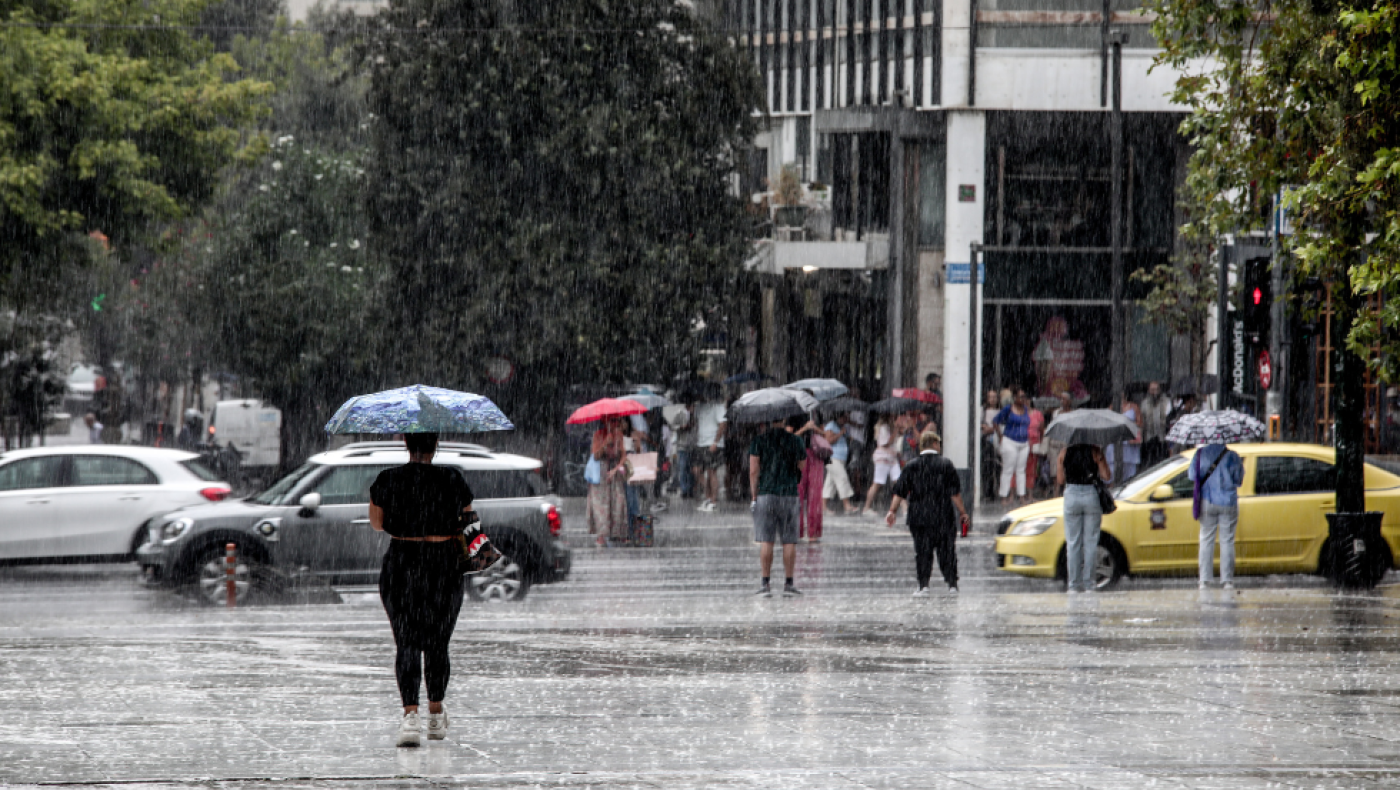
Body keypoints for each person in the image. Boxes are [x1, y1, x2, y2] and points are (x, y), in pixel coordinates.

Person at [368, 433, 474, 747]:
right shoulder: (452, 477)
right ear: (435, 444)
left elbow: (377, 524)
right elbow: (468, 519)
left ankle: (410, 717)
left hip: (402, 562)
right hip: (444, 565)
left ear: (405, 443)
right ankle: (436, 713)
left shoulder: (387, 479)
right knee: (438, 642)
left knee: (407, 641)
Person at [886, 431, 968, 596]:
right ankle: (952, 584)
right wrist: (963, 512)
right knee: (947, 551)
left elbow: (900, 492)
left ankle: (923, 585)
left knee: (923, 551)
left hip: (919, 516)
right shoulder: (946, 464)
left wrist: (892, 511)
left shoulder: (911, 465)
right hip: (943, 515)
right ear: (935, 444)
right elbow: (955, 494)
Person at [748, 415, 808, 596]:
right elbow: (803, 466)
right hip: (789, 494)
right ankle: (789, 583)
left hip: (766, 494)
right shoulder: (796, 441)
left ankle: (765, 583)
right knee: (789, 541)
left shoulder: (759, 441)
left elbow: (753, 470)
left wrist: (754, 494)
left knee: (767, 540)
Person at [1057, 440, 1110, 593]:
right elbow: (1106, 476)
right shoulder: (1095, 451)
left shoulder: (1064, 452)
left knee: (1073, 543)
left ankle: (1073, 585)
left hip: (1071, 495)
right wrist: (1100, 459)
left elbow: (1060, 480)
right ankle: (1090, 584)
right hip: (1091, 495)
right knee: (1090, 543)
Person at [1189, 442, 1244, 589]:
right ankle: (1227, 581)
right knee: (1227, 540)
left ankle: (1204, 581)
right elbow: (1239, 481)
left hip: (1206, 501)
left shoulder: (1200, 454)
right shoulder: (1232, 456)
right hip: (1228, 502)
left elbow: (1192, 476)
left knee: (1206, 539)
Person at [586, 417, 630, 547]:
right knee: (601, 505)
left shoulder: (619, 435)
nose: (615, 423)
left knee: (618, 501)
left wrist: (616, 469)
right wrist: (605, 443)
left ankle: (618, 532)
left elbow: (623, 455)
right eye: (612, 420)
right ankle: (602, 534)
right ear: (605, 421)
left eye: (616, 421)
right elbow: (595, 455)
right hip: (601, 472)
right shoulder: (598, 435)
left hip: (614, 472)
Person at [993, 389, 1033, 505]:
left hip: (1023, 443)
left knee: (1021, 470)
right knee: (1008, 470)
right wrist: (1000, 436)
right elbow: (996, 421)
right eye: (1020, 396)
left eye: (1024, 397)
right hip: (1010, 441)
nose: (1023, 399)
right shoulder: (1008, 409)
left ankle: (1022, 496)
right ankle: (1003, 496)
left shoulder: (1025, 409)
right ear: (1015, 398)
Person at [792, 415, 826, 542]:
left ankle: (813, 531)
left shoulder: (817, 412)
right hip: (798, 455)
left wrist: (816, 429)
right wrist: (805, 428)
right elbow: (790, 436)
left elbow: (824, 434)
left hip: (816, 454)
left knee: (815, 494)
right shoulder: (794, 414)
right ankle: (797, 530)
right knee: (798, 493)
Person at [692, 397, 728, 512]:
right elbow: (696, 422)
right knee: (697, 470)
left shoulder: (718, 406)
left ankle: (713, 500)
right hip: (700, 442)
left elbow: (723, 424)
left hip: (712, 443)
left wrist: (716, 442)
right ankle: (707, 497)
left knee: (711, 471)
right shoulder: (699, 407)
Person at [860, 416, 900, 517]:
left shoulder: (890, 427)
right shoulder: (883, 428)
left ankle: (905, 509)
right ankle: (867, 507)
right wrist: (895, 431)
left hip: (892, 458)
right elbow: (885, 443)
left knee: (900, 483)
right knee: (877, 483)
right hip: (883, 458)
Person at [822, 413, 858, 515]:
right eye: (844, 417)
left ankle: (823, 507)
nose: (846, 419)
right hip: (833, 458)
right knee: (842, 478)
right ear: (838, 417)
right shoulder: (831, 425)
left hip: (841, 459)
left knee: (830, 484)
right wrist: (841, 433)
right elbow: (829, 440)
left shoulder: (842, 426)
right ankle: (847, 505)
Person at [1139, 381, 1171, 467]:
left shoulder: (1167, 402)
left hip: (1163, 439)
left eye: (1157, 389)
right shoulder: (1144, 404)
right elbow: (1142, 422)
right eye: (1152, 390)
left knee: (1163, 463)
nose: (1155, 392)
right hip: (1149, 439)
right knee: (1150, 464)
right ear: (1149, 391)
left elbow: (1170, 419)